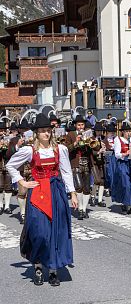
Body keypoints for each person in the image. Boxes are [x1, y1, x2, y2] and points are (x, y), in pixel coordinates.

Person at [6, 114, 78, 286]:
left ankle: (53, 270)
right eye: (43, 131)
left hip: (56, 191)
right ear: (36, 134)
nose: (46, 134)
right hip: (38, 192)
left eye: (48, 131)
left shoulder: (60, 149)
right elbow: (10, 165)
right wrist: (22, 181)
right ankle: (38, 266)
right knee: (39, 232)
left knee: (55, 231)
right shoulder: (29, 150)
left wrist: (73, 193)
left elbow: (66, 172)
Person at [111, 121, 131, 214]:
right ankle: (125, 204)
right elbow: (117, 154)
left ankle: (129, 205)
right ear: (123, 132)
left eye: (129, 131)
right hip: (123, 164)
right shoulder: (118, 139)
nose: (128, 133)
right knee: (125, 184)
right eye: (126, 131)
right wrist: (125, 153)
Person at [65, 116, 93, 220]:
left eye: (82, 125)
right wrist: (76, 142)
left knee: (86, 188)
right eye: (79, 125)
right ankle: (80, 209)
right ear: (75, 126)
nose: (81, 127)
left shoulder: (89, 134)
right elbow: (66, 149)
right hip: (76, 163)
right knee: (79, 186)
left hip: (86, 162)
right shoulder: (71, 134)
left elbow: (95, 148)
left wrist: (91, 143)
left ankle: (84, 209)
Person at [6, 119, 32, 223]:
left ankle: (31, 213)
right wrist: (17, 146)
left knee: (33, 193)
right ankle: (23, 213)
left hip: (32, 168)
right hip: (21, 170)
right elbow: (8, 154)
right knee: (22, 192)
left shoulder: (34, 138)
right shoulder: (14, 140)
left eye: (27, 129)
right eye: (23, 129)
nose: (25, 131)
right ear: (20, 130)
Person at [90, 121, 107, 208]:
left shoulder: (104, 138)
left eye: (100, 130)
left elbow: (108, 148)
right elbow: (91, 151)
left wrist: (105, 149)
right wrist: (98, 151)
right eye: (98, 130)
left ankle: (100, 200)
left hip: (102, 161)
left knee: (102, 181)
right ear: (95, 131)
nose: (99, 132)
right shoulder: (92, 138)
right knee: (97, 180)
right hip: (94, 161)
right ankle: (93, 196)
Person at [0, 122, 13, 217]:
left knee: (8, 186)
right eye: (1, 130)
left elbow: (14, 151)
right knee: (0, 187)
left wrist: (9, 146)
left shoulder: (10, 139)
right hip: (0, 165)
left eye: (4, 130)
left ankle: (7, 206)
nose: (3, 132)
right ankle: (0, 205)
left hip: (8, 164)